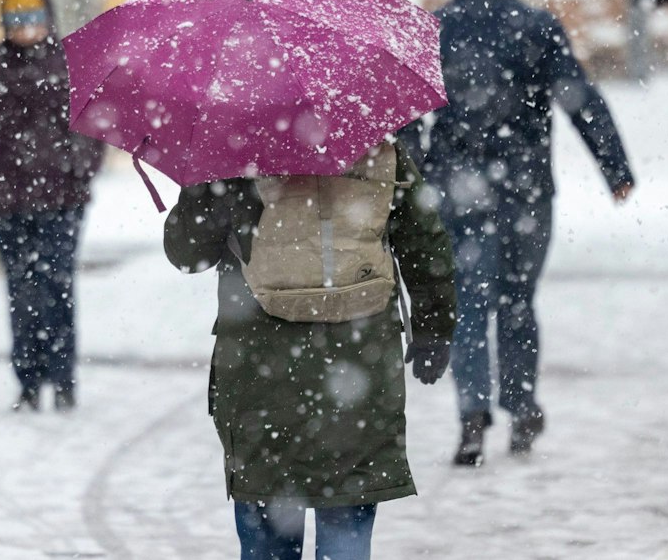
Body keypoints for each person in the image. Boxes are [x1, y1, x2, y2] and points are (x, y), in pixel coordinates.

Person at [164, 141, 456, 560]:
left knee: (267, 534)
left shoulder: (233, 145)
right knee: (347, 526)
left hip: (260, 369)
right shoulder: (376, 138)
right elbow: (423, 240)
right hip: (359, 365)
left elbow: (187, 253)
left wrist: (204, 188)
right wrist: (433, 327)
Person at [417, 0, 635, 467]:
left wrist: (419, 168)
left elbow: (406, 113)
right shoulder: (536, 27)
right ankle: (520, 408)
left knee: (467, 305)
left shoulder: (435, 30)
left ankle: (472, 413)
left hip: (458, 188)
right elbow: (579, 97)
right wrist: (615, 166)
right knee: (517, 302)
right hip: (526, 189)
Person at [0, 0, 102, 412]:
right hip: (9, 202)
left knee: (57, 286)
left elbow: (93, 122)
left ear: (48, 16)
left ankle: (62, 379)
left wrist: (78, 166)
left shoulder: (70, 62)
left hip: (62, 199)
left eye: (33, 14)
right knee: (22, 290)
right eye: (15, 15)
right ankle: (27, 379)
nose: (24, 24)